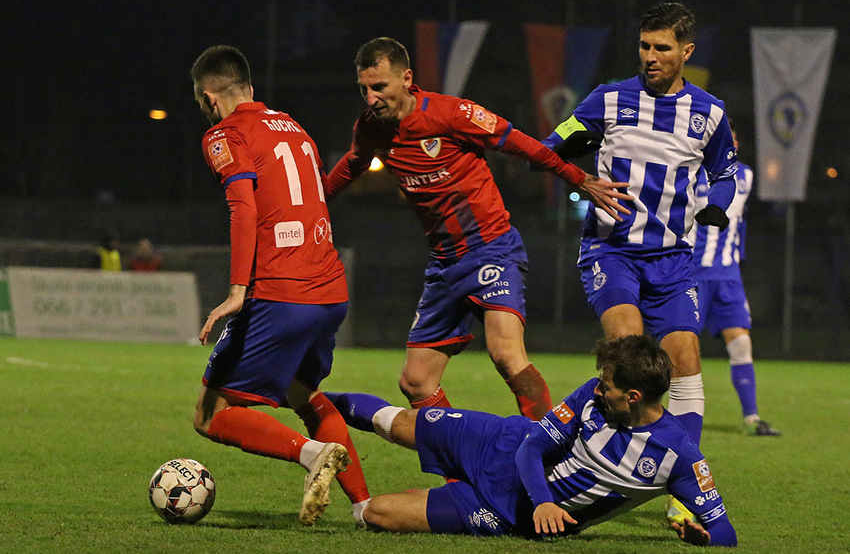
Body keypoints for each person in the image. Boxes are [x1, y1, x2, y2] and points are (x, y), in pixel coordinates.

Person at [324, 37, 632, 421]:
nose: (370, 98)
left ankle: (547, 450)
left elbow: (522, 144)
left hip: (491, 248)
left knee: (505, 353)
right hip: (444, 263)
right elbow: (354, 162)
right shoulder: (371, 128)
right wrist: (314, 200)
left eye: (379, 87)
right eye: (364, 89)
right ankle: (460, 462)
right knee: (416, 381)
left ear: (406, 78)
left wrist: (578, 178)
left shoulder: (451, 114)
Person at [542, 2, 738, 449]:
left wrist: (717, 206)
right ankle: (598, 455)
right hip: (612, 252)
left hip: (672, 260)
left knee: (685, 358)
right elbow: (549, 148)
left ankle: (683, 477)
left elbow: (725, 172)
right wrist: (581, 176)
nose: (650, 56)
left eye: (662, 48)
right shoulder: (608, 98)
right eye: (645, 46)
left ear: (686, 51)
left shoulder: (709, 113)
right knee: (627, 350)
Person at [323, 335, 737, 547]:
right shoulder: (591, 396)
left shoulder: (678, 457)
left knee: (377, 514)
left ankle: (439, 495)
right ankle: (304, 398)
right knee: (392, 423)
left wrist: (703, 538)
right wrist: (544, 501)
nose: (597, 390)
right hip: (500, 443)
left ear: (632, 397)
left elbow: (725, 531)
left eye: (607, 386)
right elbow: (532, 448)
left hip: (504, 511)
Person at [189, 45, 371, 526]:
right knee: (303, 392)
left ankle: (311, 455)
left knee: (212, 415)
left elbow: (243, 208)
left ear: (210, 97)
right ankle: (365, 507)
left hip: (280, 291)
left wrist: (236, 290)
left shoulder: (225, 134)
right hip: (330, 290)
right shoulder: (295, 128)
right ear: (249, 85)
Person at [691, 122, 780, 436]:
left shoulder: (746, 175)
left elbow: (739, 222)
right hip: (692, 273)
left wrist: (738, 256)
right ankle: (650, 412)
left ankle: (752, 418)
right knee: (680, 346)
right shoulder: (688, 170)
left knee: (741, 344)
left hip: (728, 276)